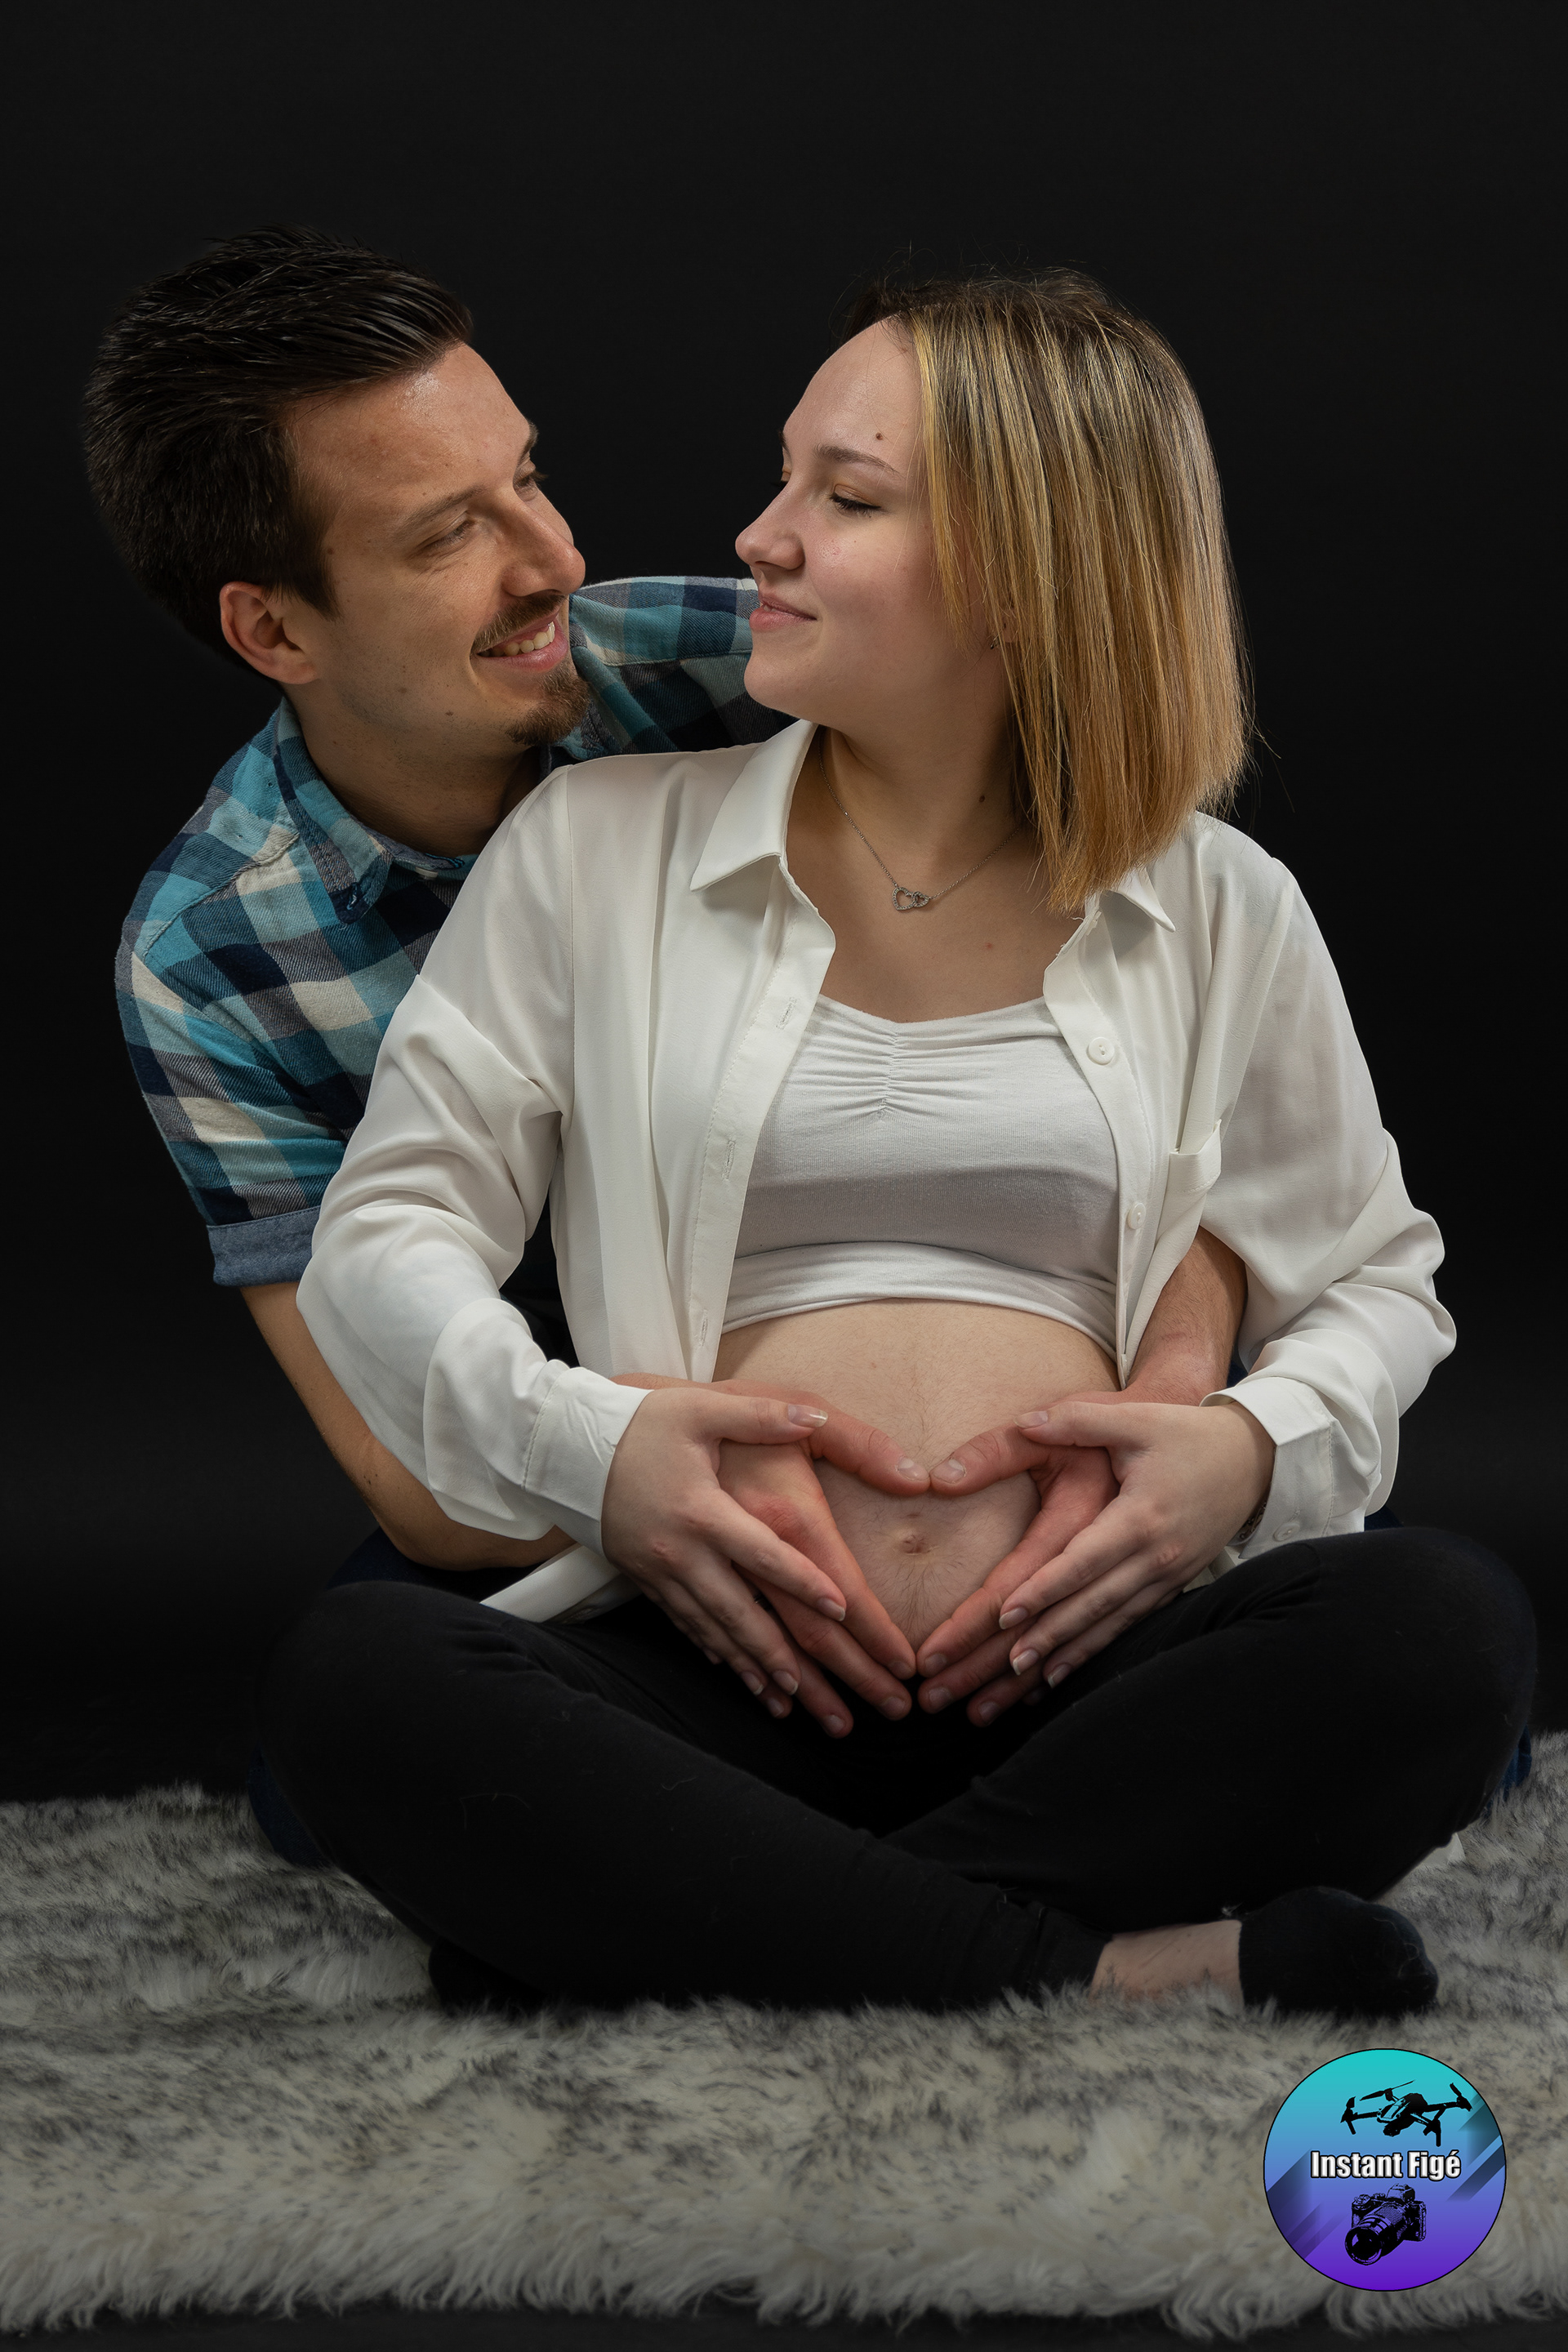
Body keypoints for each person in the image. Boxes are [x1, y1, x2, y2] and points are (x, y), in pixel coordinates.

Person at [261, 269, 1535, 2024]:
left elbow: (1377, 1284)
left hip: (1091, 1673)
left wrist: (1243, 1456)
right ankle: (1083, 1962)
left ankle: (708, 1918)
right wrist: (599, 1452)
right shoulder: (594, 848)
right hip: (718, 1660)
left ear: (1029, 571)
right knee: (359, 1674)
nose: (758, 537)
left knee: (1446, 1631)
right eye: (785, 475)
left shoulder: (1220, 903)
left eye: (843, 497)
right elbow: (386, 1235)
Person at [91, 230, 1247, 1821]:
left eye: (526, 479)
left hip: (1023, 1419)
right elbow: (413, 1479)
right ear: (277, 632)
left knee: (1412, 1634)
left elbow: (1184, 1030)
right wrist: (718, 1516)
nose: (553, 561)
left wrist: (1172, 1400)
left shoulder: (739, 662)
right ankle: (990, 1884)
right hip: (583, 1485)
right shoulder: (210, 956)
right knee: (340, 1747)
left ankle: (789, 1865)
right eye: (448, 535)